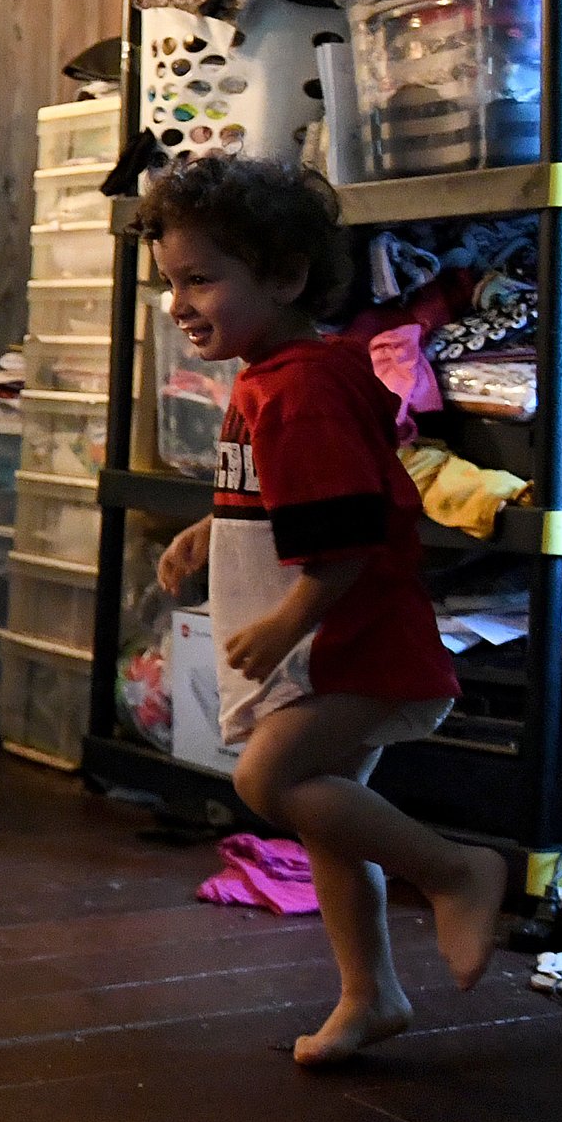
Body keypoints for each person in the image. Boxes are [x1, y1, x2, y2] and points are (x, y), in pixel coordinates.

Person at [143, 155, 505, 1066]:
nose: (180, 304)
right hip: (335, 646)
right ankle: (370, 993)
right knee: (327, 814)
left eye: (200, 280)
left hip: (357, 648)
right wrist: (210, 533)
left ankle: (458, 871)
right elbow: (284, 503)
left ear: (286, 275)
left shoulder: (299, 388)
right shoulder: (275, 375)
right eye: (170, 285)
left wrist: (279, 624)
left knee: (268, 782)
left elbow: (345, 542)